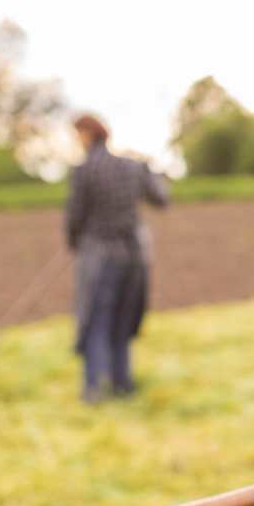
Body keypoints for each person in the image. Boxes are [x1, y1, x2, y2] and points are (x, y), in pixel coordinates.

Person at [65, 114, 169, 402]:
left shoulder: (85, 170)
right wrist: (151, 169)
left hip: (98, 254)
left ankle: (95, 387)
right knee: (122, 321)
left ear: (87, 134)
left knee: (96, 320)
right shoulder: (132, 166)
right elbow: (161, 198)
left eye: (77, 135)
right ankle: (123, 384)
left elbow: (75, 216)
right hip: (134, 256)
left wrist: (75, 243)